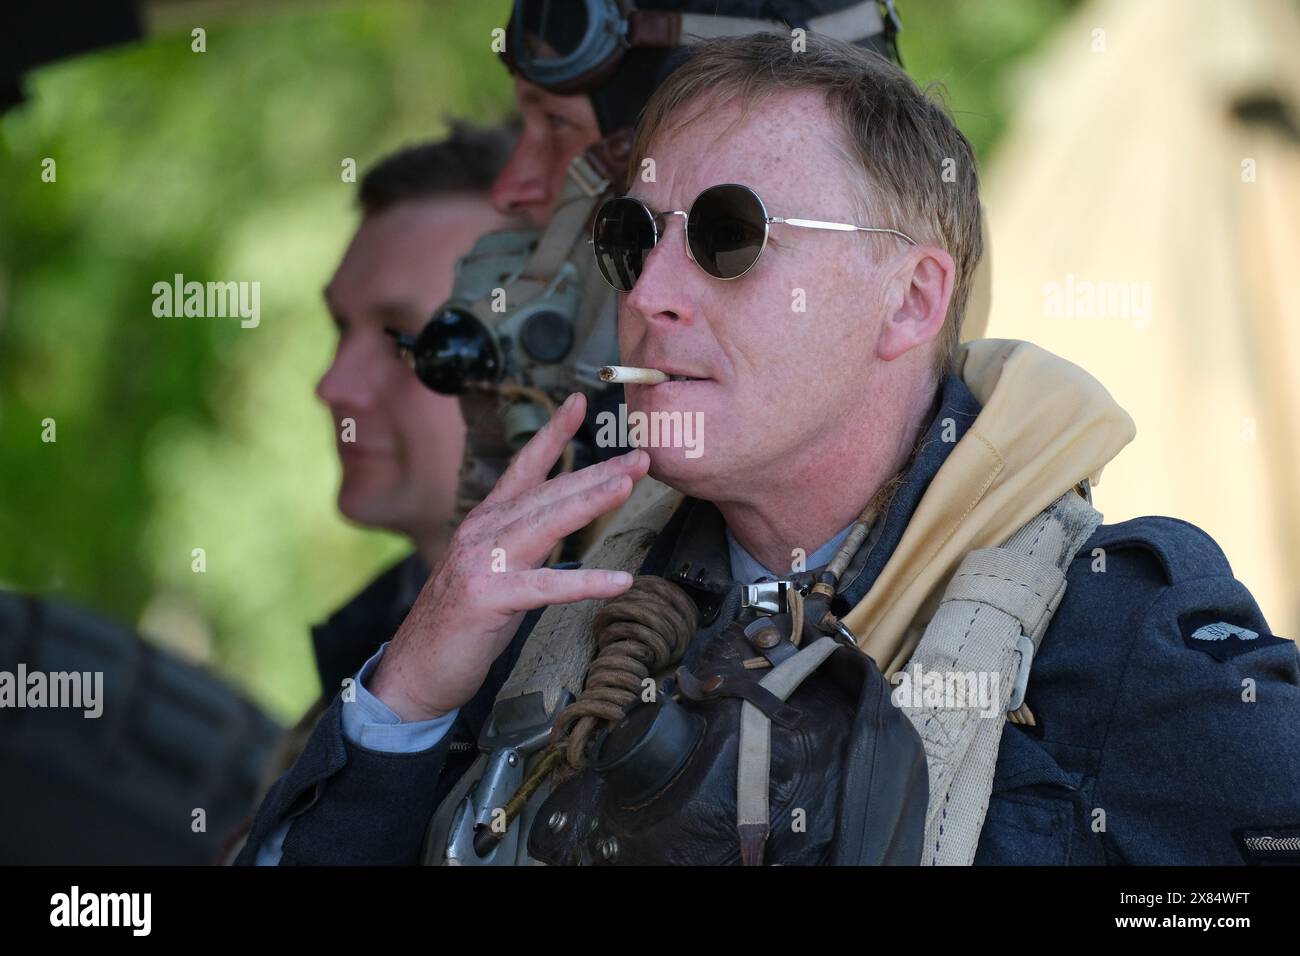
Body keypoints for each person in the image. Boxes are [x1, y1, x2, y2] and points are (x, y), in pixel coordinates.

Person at [239, 31, 1300, 866]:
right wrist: (407, 700)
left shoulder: (1110, 634)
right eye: (631, 238)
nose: (648, 297)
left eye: (725, 237)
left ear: (909, 298)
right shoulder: (541, 610)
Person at [222, 126, 514, 863]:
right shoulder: (366, 650)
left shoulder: (625, 663)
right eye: (339, 327)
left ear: (558, 354)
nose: (332, 386)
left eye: (404, 339)